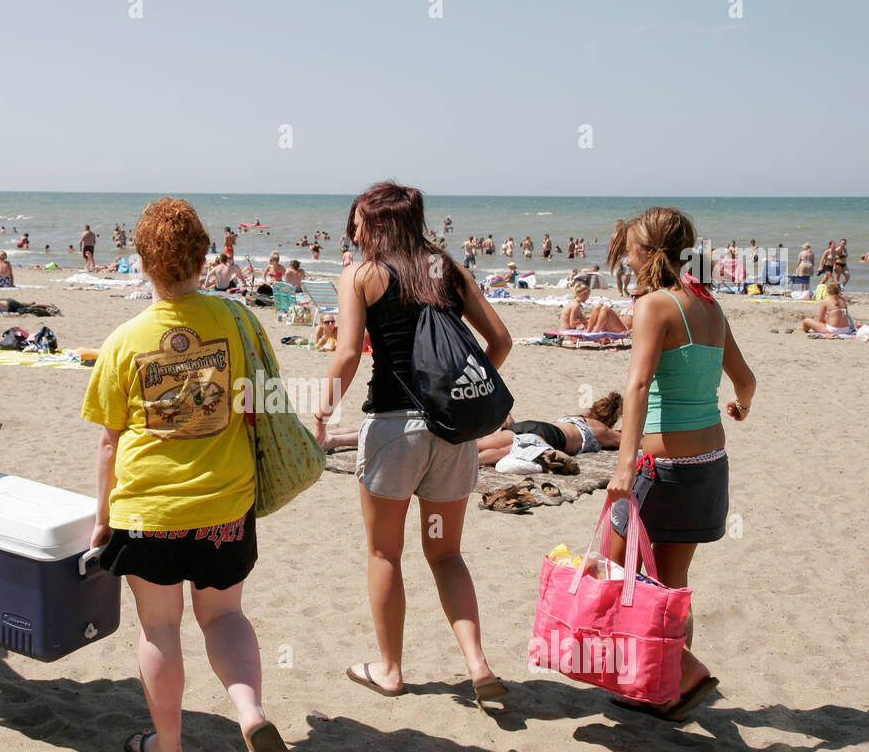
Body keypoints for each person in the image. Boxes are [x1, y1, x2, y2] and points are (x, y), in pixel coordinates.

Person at [80, 197, 297, 752]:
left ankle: (167, 744)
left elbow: (108, 443)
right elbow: (259, 404)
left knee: (160, 629)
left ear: (143, 260)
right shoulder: (238, 322)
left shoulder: (125, 341)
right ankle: (250, 716)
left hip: (149, 510)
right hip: (225, 503)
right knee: (224, 617)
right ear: (205, 256)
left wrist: (103, 521)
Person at [310, 181, 513, 709]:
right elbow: (501, 342)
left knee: (384, 552)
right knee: (446, 553)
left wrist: (320, 414)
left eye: (356, 220)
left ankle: (391, 670)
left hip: (394, 431)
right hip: (451, 433)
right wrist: (460, 396)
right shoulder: (446, 268)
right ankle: (478, 664)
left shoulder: (361, 274)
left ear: (376, 223)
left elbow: (349, 352)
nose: (350, 230)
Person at [603, 206, 756, 722]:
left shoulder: (654, 305)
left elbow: (639, 386)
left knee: (613, 570)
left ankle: (684, 672)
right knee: (670, 583)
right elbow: (746, 379)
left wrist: (625, 466)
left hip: (659, 468)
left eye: (629, 247)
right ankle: (662, 689)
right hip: (708, 463)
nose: (625, 253)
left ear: (645, 253)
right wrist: (741, 407)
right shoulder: (710, 304)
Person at [476, 393, 623, 465]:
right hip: (551, 437)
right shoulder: (602, 430)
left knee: (478, 445)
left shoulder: (574, 417)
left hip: (533, 425)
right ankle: (470, 466)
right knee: (501, 453)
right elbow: (629, 440)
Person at [560, 281, 630, 334]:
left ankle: (590, 333)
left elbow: (583, 321)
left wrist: (589, 321)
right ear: (584, 294)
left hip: (565, 331)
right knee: (604, 308)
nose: (588, 298)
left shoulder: (573, 303)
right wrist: (586, 320)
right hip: (567, 333)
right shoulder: (575, 305)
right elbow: (572, 324)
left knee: (598, 307)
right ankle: (593, 334)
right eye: (588, 296)